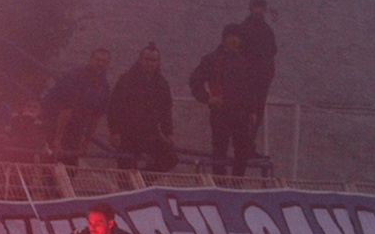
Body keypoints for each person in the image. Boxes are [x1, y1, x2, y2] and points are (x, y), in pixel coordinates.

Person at [189, 23, 253, 176]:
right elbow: (195, 82)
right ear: (224, 38)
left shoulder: (244, 62)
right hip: (220, 113)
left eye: (238, 37)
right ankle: (220, 185)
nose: (235, 40)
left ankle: (236, 186)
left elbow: (250, 90)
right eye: (231, 36)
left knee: (242, 154)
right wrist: (208, 98)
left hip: (242, 115)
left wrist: (252, 111)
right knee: (219, 153)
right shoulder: (211, 59)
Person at [107, 42, 178, 172]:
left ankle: (143, 179)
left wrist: (168, 133)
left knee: (170, 159)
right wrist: (114, 132)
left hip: (150, 133)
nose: (150, 63)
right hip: (127, 134)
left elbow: (166, 110)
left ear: (158, 62)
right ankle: (131, 183)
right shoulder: (127, 79)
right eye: (147, 59)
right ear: (140, 59)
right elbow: (114, 107)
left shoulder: (162, 83)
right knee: (125, 171)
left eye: (154, 60)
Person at [40, 49, 112, 166]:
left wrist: (85, 144)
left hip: (76, 129)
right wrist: (57, 140)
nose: (100, 63)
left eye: (104, 61)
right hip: (55, 122)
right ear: (91, 59)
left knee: (70, 165)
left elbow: (95, 118)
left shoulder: (104, 85)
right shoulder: (75, 76)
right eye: (98, 60)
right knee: (51, 164)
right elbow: (66, 109)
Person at [239, 0, 278, 155]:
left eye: (260, 7)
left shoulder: (266, 30)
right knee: (248, 112)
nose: (258, 10)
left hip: (261, 79)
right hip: (248, 79)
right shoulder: (245, 28)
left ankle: (249, 144)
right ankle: (244, 146)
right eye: (256, 7)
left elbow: (272, 51)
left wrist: (267, 72)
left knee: (257, 113)